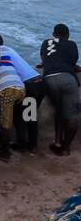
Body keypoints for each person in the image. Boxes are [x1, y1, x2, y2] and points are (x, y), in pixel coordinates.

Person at [41, 24, 79, 156]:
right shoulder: (72, 44)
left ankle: (57, 142)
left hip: (50, 78)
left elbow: (44, 60)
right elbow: (73, 63)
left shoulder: (47, 42)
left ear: (53, 34)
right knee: (72, 116)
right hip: (68, 78)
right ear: (67, 35)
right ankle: (66, 148)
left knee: (59, 109)